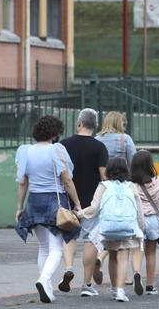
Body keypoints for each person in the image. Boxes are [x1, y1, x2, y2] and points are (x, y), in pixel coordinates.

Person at [15, 115, 82, 303]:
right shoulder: (56, 150)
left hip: (33, 200)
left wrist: (19, 207)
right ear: (54, 133)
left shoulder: (25, 151)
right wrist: (77, 204)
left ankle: (47, 288)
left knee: (44, 247)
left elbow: (22, 182)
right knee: (56, 248)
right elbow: (67, 179)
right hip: (54, 199)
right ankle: (44, 280)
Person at [75, 157, 145, 303]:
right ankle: (120, 290)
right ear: (126, 170)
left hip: (109, 227)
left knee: (112, 257)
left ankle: (114, 289)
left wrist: (80, 214)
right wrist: (141, 227)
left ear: (109, 170)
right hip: (127, 227)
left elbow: (94, 208)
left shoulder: (103, 185)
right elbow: (139, 209)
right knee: (123, 257)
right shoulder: (131, 186)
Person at [59, 108, 109, 295]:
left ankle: (69, 267)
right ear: (95, 127)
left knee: (69, 236)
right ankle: (87, 285)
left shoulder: (63, 145)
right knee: (90, 240)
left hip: (69, 199)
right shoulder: (99, 147)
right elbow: (104, 177)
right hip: (91, 202)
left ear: (79, 122)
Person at [130, 150, 159, 295]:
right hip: (154, 219)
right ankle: (150, 285)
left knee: (136, 249)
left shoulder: (131, 184)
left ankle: (136, 272)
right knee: (151, 252)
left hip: (137, 219)